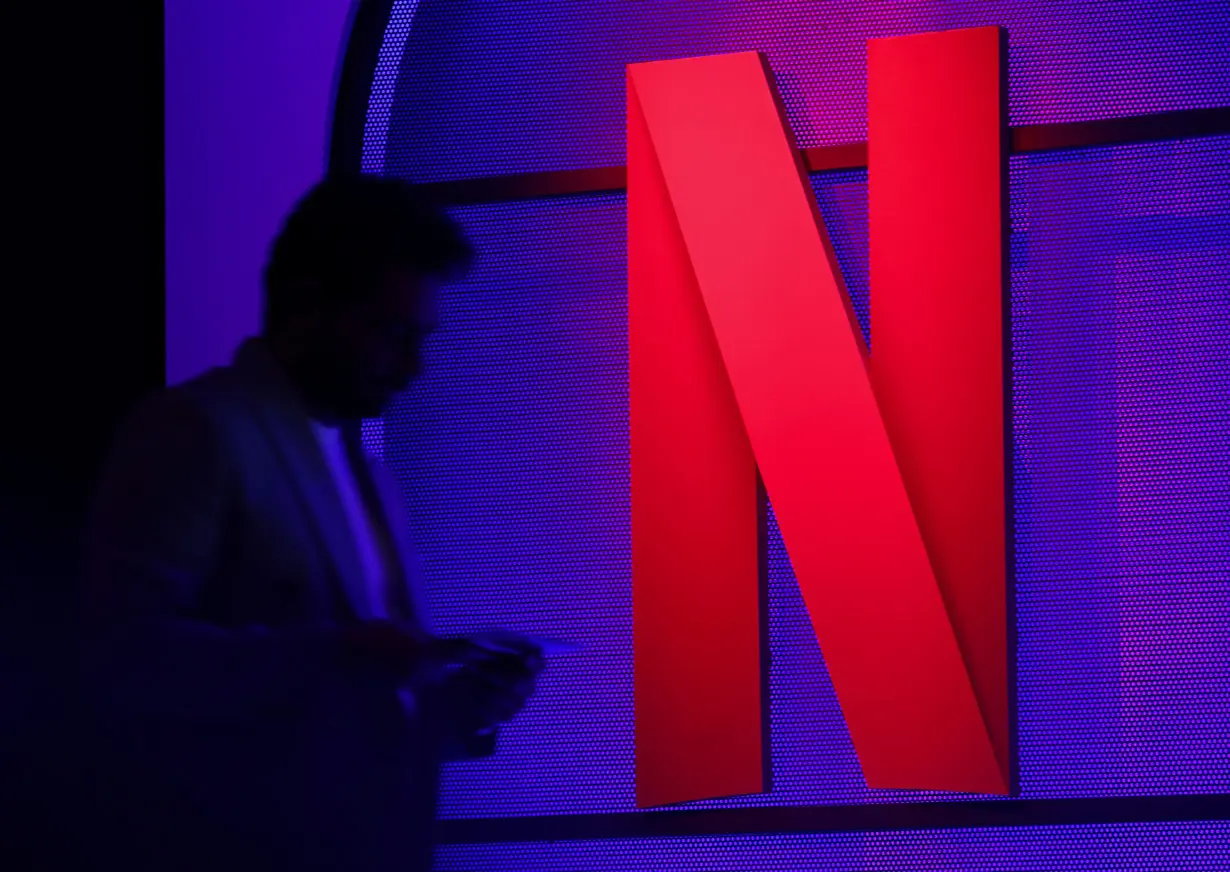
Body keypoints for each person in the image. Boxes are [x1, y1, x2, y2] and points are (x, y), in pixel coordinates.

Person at [82, 175, 542, 872]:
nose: (414, 370)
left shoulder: (369, 476)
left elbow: (354, 719)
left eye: (421, 339)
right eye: (391, 335)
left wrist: (460, 706)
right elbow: (124, 657)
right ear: (306, 305)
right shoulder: (195, 431)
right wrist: (337, 656)